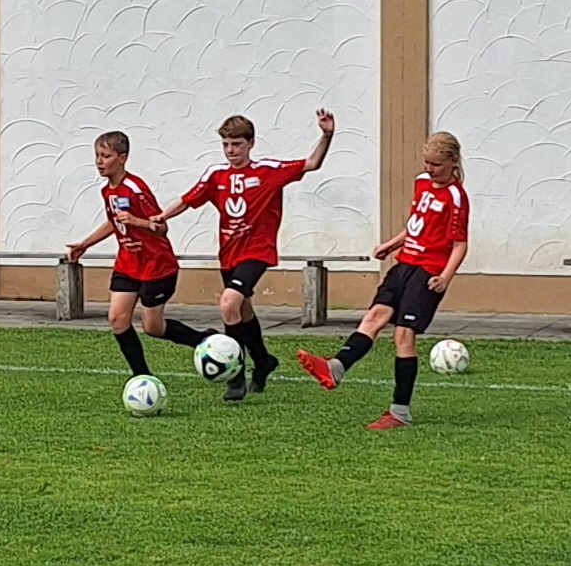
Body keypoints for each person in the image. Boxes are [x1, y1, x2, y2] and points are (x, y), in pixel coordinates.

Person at [296, 131, 470, 429]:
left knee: (403, 334)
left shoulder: (456, 196)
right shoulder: (421, 183)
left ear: (453, 162)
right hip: (405, 264)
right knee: (374, 316)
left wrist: (445, 277)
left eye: (436, 164)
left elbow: (459, 244)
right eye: (426, 163)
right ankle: (336, 367)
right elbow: (417, 226)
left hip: (428, 271)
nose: (429, 169)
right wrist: (392, 244)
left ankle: (400, 412)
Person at [159, 110, 335, 402]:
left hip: (257, 251)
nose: (231, 151)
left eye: (237, 144)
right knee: (242, 311)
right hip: (229, 254)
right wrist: (161, 216)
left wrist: (326, 135)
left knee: (228, 303)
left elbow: (311, 163)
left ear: (250, 144)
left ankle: (235, 376)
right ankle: (263, 360)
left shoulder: (268, 171)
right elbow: (187, 200)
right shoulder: (216, 175)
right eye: (226, 145)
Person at [65, 131, 210, 377]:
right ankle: (142, 376)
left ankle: (203, 340)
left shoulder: (136, 188)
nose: (99, 162)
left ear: (122, 158)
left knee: (153, 327)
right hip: (128, 263)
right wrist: (85, 244)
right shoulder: (107, 190)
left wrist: (137, 221)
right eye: (97, 155)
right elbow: (114, 222)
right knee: (117, 319)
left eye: (106, 156)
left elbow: (161, 226)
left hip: (156, 264)